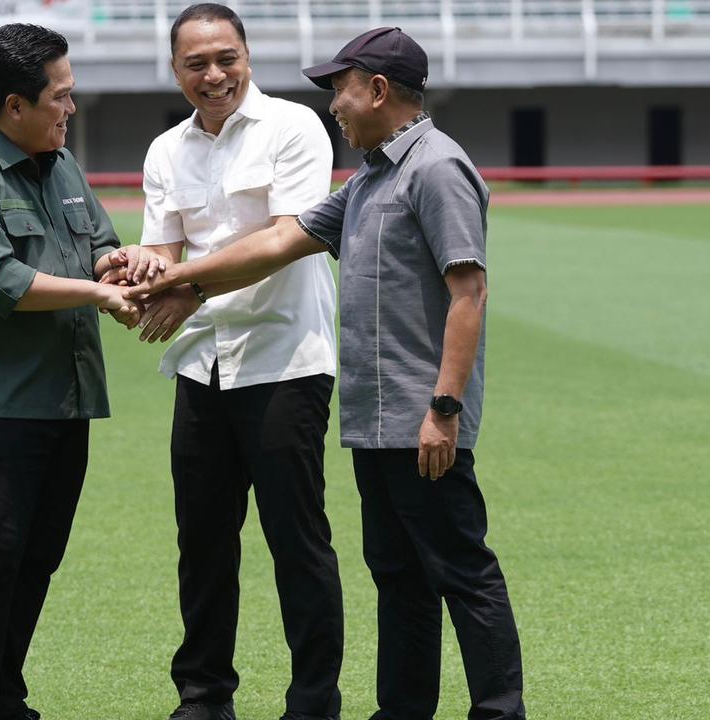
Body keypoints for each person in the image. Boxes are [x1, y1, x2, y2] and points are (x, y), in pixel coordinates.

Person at [125, 26, 526, 720]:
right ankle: (402, 712)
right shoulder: (371, 177)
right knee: (399, 575)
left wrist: (445, 408)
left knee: (462, 570)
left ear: (376, 89)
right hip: (374, 419)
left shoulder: (436, 168)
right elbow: (277, 247)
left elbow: (470, 294)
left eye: (338, 89)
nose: (333, 105)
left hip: (422, 414)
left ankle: (499, 711)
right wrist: (181, 279)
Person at [108, 5, 344, 720]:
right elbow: (167, 250)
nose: (213, 75)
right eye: (196, 63)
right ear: (175, 69)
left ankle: (312, 702)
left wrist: (185, 285)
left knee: (295, 539)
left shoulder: (295, 127)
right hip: (201, 364)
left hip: (285, 359)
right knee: (202, 541)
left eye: (226, 58)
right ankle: (204, 697)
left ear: (247, 55)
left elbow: (286, 241)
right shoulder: (165, 151)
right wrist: (134, 271)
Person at [0, 24, 139, 720]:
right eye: (60, 98)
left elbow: (98, 244)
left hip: (62, 401)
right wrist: (101, 294)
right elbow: (0, 281)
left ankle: (5, 697)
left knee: (36, 558)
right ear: (16, 105)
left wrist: (122, 267)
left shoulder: (62, 165)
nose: (71, 110)